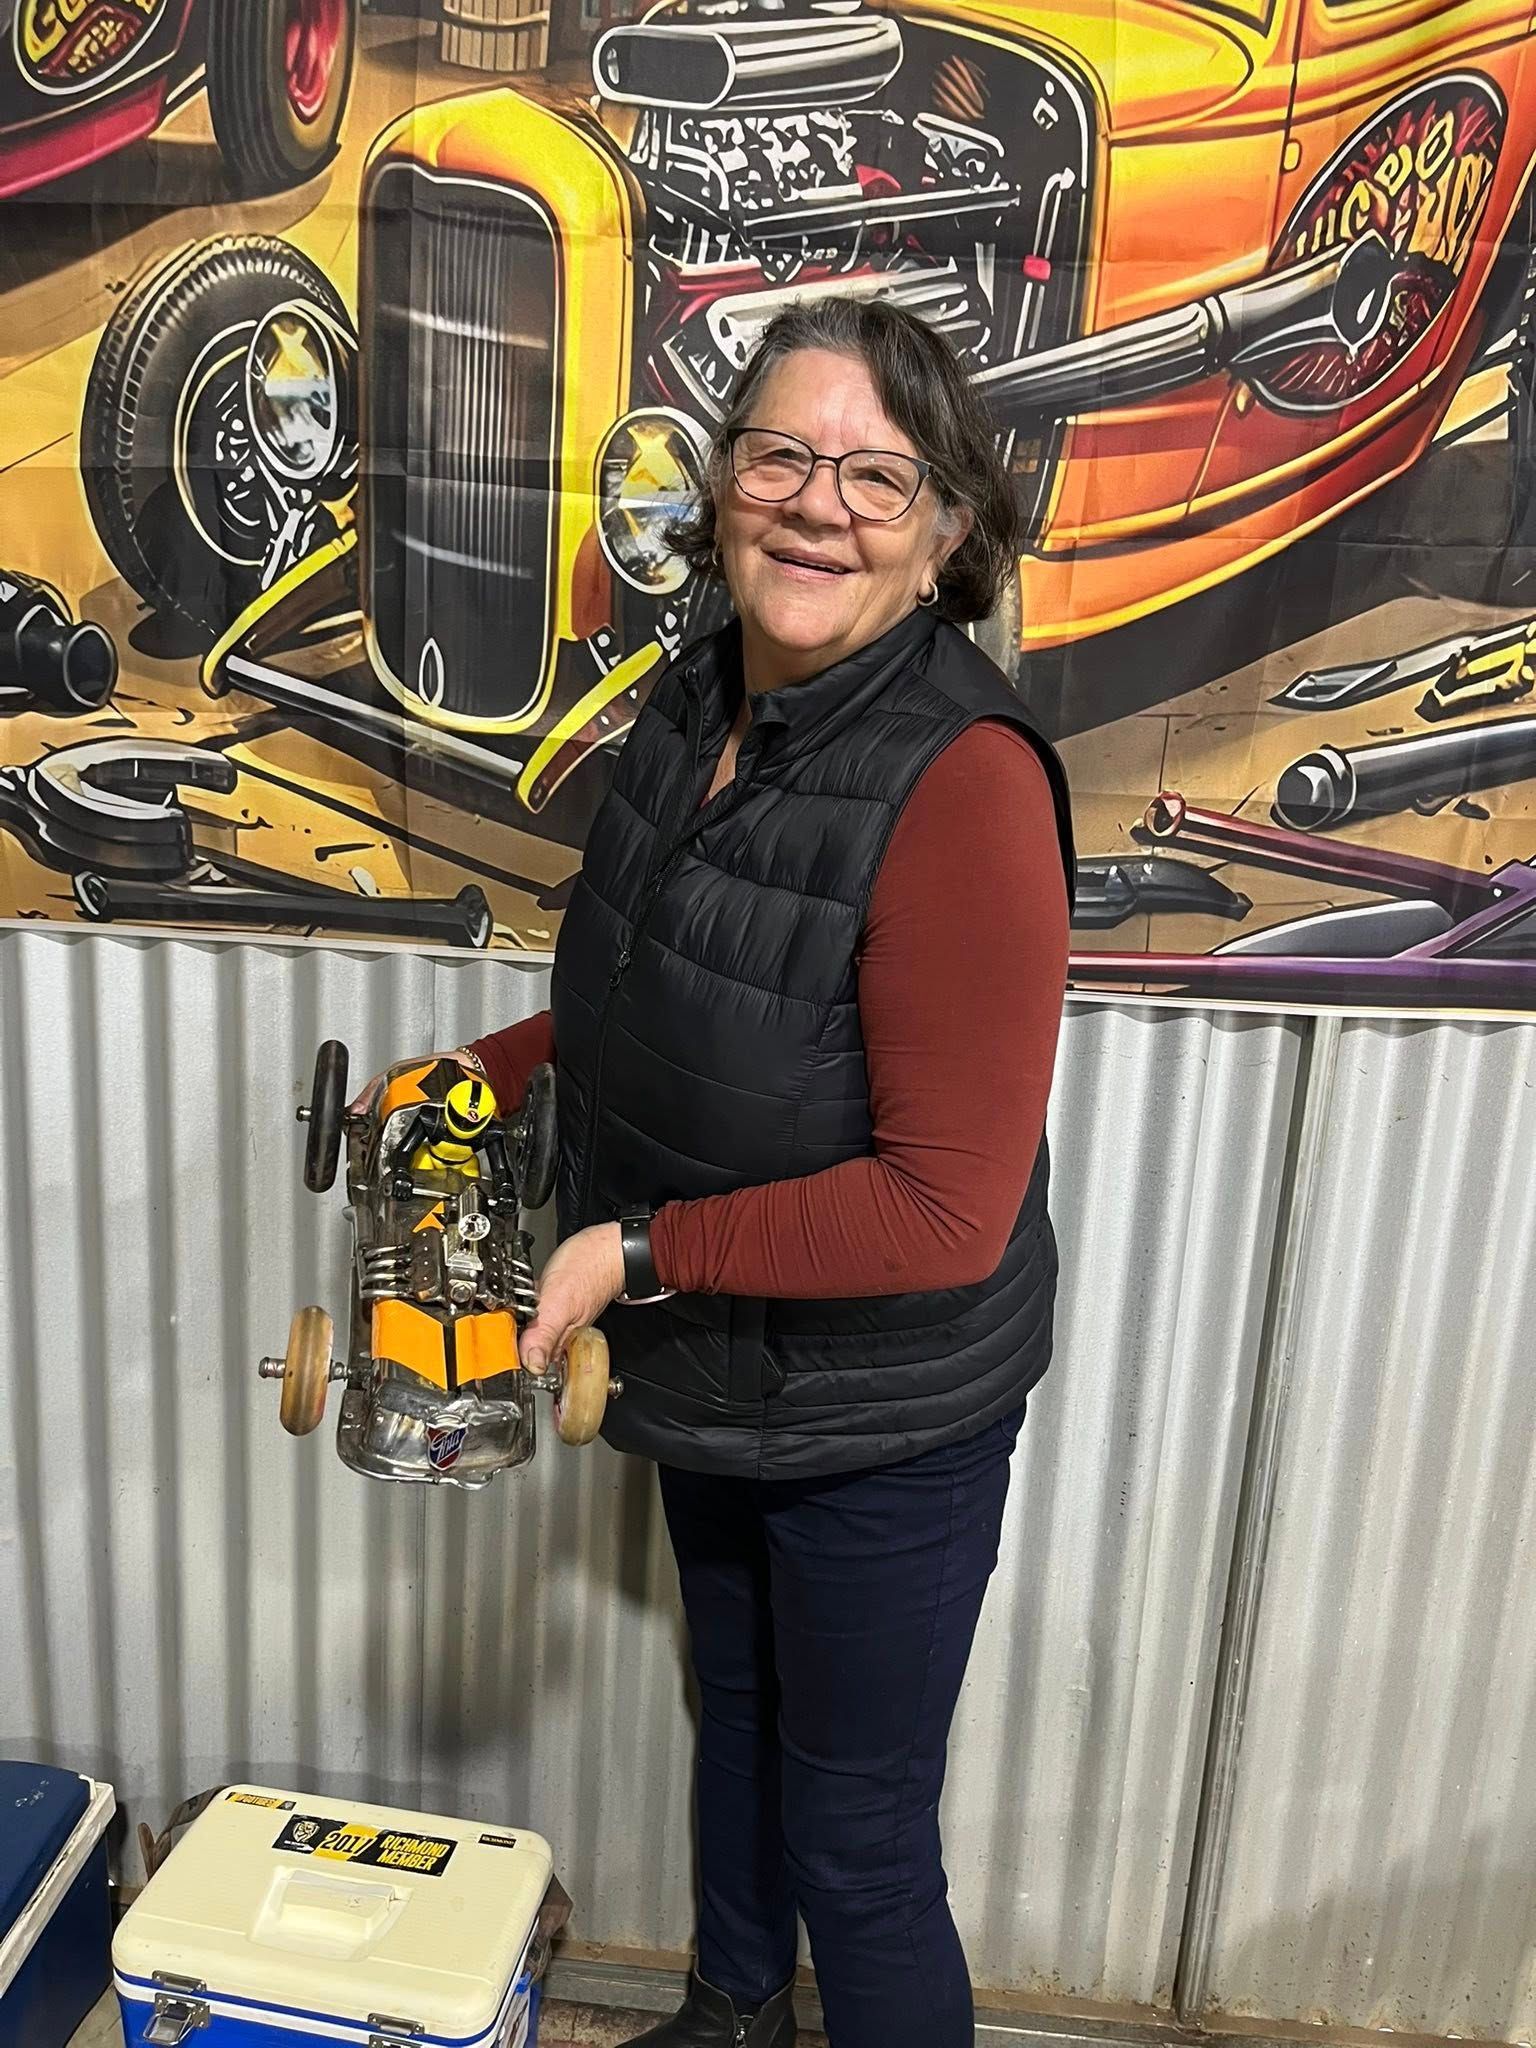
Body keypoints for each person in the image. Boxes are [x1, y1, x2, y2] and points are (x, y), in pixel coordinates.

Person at [448, 297, 1073, 2048]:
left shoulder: (960, 783)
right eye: (782, 456)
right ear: (721, 486)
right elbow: (668, 988)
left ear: (950, 534)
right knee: (733, 1708)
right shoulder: (700, 687)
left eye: (878, 476)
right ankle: (732, 2019)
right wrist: (482, 1077)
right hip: (714, 1360)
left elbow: (944, 1207)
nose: (818, 505)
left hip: (879, 1410)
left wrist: (627, 1258)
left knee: (858, 1838)